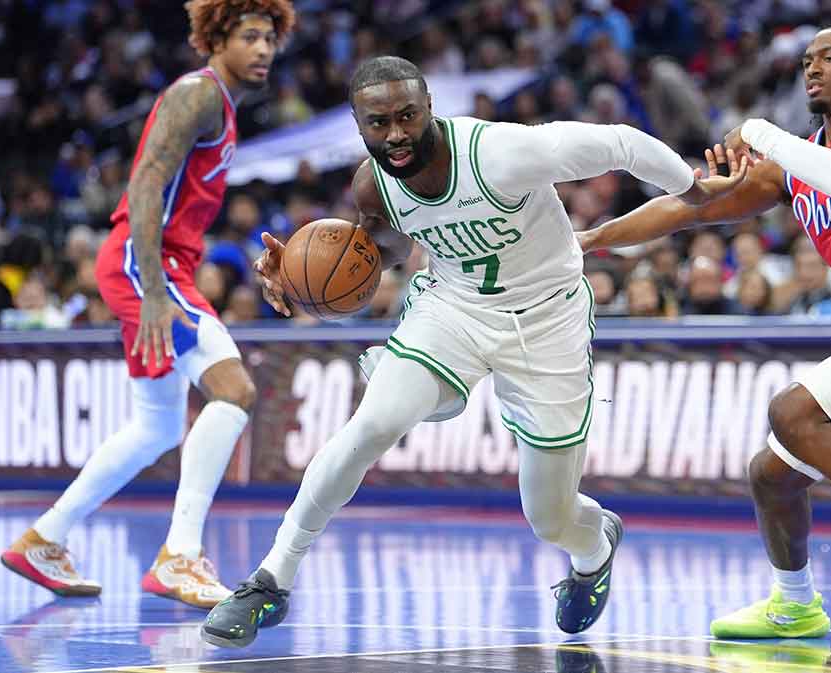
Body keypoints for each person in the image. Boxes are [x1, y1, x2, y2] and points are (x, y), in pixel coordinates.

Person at [199, 55, 740, 648]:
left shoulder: (501, 154)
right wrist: (297, 276)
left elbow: (621, 144)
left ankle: (593, 549)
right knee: (372, 424)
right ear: (359, 126)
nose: (397, 133)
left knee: (550, 516)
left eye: (408, 116)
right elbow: (387, 252)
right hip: (453, 308)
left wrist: (691, 189)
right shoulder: (371, 184)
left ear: (430, 107)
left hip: (547, 322)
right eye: (379, 123)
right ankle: (271, 579)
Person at [578, 28, 831, 634]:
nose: (813, 69)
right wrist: (596, 237)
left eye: (830, 58)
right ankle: (794, 603)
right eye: (806, 61)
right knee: (770, 474)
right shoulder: (792, 168)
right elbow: (690, 205)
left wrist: (758, 132)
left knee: (793, 413)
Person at [0, 0, 297, 609]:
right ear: (217, 37)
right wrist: (156, 293)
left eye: (270, 37)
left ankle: (44, 539)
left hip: (165, 264)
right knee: (233, 390)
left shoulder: (227, 107)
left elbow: (183, 210)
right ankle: (179, 555)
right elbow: (143, 185)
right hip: (145, 265)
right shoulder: (199, 94)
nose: (264, 48)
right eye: (250, 35)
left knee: (157, 425)